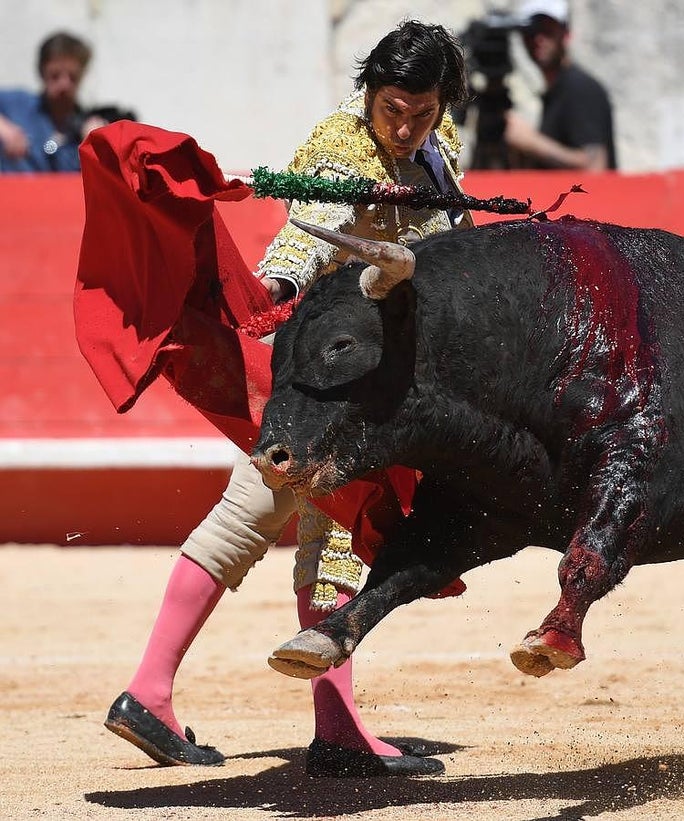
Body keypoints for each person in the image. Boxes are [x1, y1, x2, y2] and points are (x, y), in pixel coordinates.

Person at [103, 19, 473, 779]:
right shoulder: (341, 145)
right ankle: (334, 731)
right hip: (331, 385)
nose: (402, 126)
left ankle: (149, 692)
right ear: (368, 91)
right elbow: (308, 232)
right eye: (390, 107)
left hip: (370, 381)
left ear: (444, 105)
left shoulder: (445, 151)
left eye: (420, 112)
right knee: (334, 531)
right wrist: (271, 286)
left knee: (247, 513)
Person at [501, 0, 616, 171]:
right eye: (531, 31)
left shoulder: (580, 88)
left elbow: (595, 166)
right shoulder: (555, 90)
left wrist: (530, 142)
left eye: (548, 30)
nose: (538, 39)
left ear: (566, 33)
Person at [0, 31, 113, 173]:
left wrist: (95, 146)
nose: (64, 85)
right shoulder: (17, 105)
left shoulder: (85, 128)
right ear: (42, 72)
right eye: (55, 75)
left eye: (72, 77)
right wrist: (4, 129)